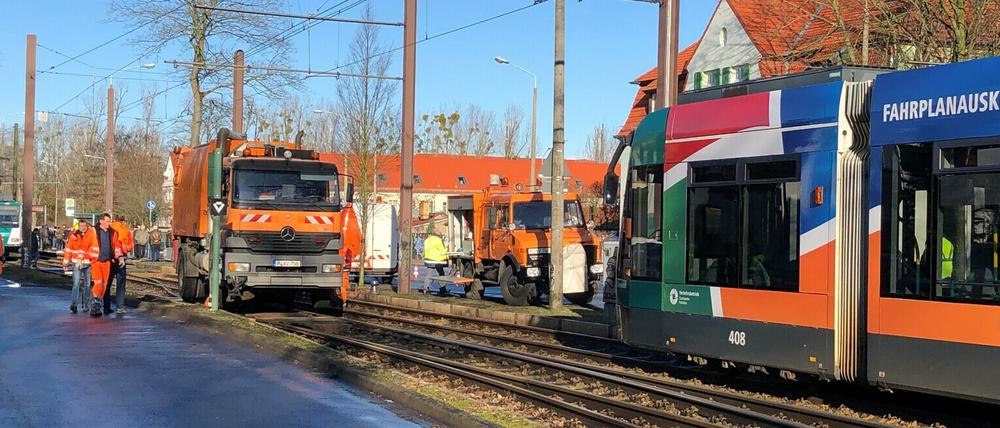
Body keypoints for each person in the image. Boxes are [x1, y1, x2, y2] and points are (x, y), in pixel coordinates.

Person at [91, 214, 123, 317]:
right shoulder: (93, 231)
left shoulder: (112, 233)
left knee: (104, 284)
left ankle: (98, 304)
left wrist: (120, 257)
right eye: (107, 221)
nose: (109, 223)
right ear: (101, 221)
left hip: (107, 261)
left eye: (109, 221)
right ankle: (95, 303)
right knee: (98, 282)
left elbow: (116, 246)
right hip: (96, 260)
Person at [64, 221, 98, 314]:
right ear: (78, 226)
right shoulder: (73, 236)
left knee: (87, 285)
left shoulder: (90, 235)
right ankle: (74, 304)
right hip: (76, 263)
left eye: (85, 226)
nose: (84, 227)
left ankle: (85, 304)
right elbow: (69, 249)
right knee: (76, 283)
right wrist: (66, 263)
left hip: (87, 263)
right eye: (82, 226)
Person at [108, 215, 134, 314]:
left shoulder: (109, 227)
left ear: (114, 220)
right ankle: (120, 306)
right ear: (123, 221)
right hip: (121, 257)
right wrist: (125, 250)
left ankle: (106, 305)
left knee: (107, 283)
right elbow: (130, 245)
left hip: (110, 258)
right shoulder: (126, 230)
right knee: (121, 283)